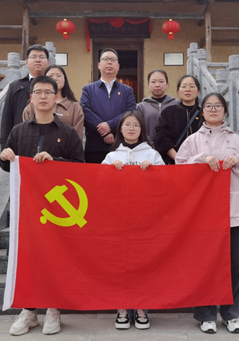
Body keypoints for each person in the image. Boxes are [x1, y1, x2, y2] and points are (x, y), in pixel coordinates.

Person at [0, 76, 84, 336]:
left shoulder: (67, 132)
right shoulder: (18, 131)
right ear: (31, 98)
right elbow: (7, 166)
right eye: (39, 92)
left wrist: (55, 161)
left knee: (55, 257)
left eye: (49, 92)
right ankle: (28, 311)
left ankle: (53, 309)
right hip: (27, 207)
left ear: (56, 98)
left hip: (57, 212)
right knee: (27, 257)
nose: (44, 96)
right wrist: (5, 156)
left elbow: (80, 167)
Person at [176, 92, 239, 335]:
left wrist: (237, 160)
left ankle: (231, 315)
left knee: (234, 264)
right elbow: (180, 169)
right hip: (202, 212)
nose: (213, 109)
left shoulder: (236, 140)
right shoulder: (193, 140)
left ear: (225, 110)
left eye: (218, 105)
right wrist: (203, 159)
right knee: (205, 264)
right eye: (209, 106)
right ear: (202, 111)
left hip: (233, 210)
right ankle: (206, 315)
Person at [101, 110, 164, 330]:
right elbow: (98, 186)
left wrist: (153, 172)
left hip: (146, 221)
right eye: (127, 124)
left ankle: (141, 307)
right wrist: (110, 172)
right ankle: (121, 307)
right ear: (120, 128)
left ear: (141, 129)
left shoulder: (152, 155)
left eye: (136, 125)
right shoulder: (111, 156)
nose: (131, 128)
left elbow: (166, 184)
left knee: (143, 264)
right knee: (119, 265)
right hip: (118, 220)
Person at [80, 48, 136, 163]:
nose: (109, 62)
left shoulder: (127, 90)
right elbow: (85, 111)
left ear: (118, 66)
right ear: (99, 65)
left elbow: (130, 112)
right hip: (95, 147)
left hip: (121, 145)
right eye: (106, 59)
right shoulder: (88, 89)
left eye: (113, 59)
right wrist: (104, 132)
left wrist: (110, 125)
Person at [0, 44, 51, 150]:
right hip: (20, 141)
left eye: (41, 57)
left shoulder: (55, 87)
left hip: (49, 140)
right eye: (33, 57)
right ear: (27, 62)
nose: (38, 60)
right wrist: (5, 145)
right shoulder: (15, 86)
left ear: (48, 62)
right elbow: (7, 118)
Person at [22, 64, 84, 140]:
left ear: (64, 79)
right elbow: (26, 132)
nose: (55, 78)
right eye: (50, 76)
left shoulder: (75, 107)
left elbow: (77, 137)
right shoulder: (32, 105)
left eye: (58, 75)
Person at [153, 75, 202, 164]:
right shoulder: (168, 112)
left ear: (198, 91)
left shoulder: (203, 113)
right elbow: (161, 138)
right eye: (184, 86)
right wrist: (178, 159)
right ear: (178, 91)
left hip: (200, 162)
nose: (187, 89)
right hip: (175, 163)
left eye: (191, 86)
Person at [136, 69, 178, 142]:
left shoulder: (176, 104)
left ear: (167, 84)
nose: (157, 85)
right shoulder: (141, 107)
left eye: (161, 81)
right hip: (148, 146)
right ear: (149, 85)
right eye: (153, 82)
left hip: (173, 146)